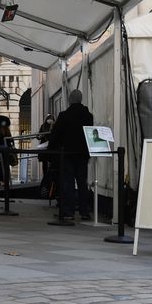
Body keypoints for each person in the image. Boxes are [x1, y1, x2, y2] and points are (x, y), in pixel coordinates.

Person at [48, 89, 93, 222]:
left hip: (67, 154)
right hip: (83, 154)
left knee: (68, 182)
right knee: (82, 182)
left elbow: (56, 134)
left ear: (70, 100)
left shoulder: (64, 115)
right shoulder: (88, 116)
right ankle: (84, 211)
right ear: (81, 99)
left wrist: (51, 148)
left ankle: (68, 211)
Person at [0, 115, 17, 186]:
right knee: (1, 166)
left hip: (6, 151)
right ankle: (1, 180)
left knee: (5, 166)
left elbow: (10, 140)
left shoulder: (6, 130)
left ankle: (3, 180)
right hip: (0, 151)